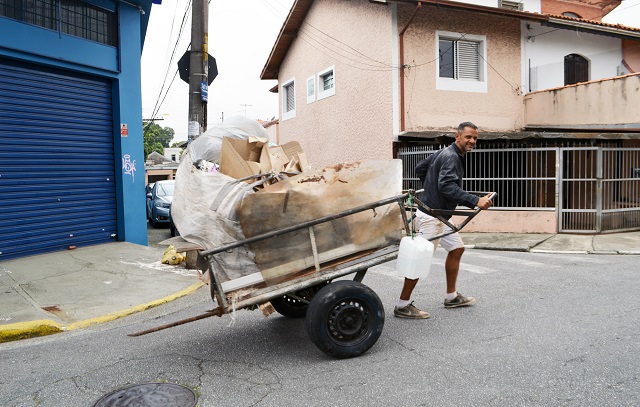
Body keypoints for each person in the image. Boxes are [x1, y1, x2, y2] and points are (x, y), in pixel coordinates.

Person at [394, 122, 493, 319]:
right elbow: (447, 186)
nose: (472, 141)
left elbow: (421, 168)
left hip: (439, 215)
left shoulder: (445, 152)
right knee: (419, 259)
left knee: (456, 249)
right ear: (457, 136)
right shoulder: (451, 156)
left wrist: (431, 187)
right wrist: (475, 200)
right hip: (433, 217)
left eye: (475, 138)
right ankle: (402, 305)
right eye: (468, 137)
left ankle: (451, 297)